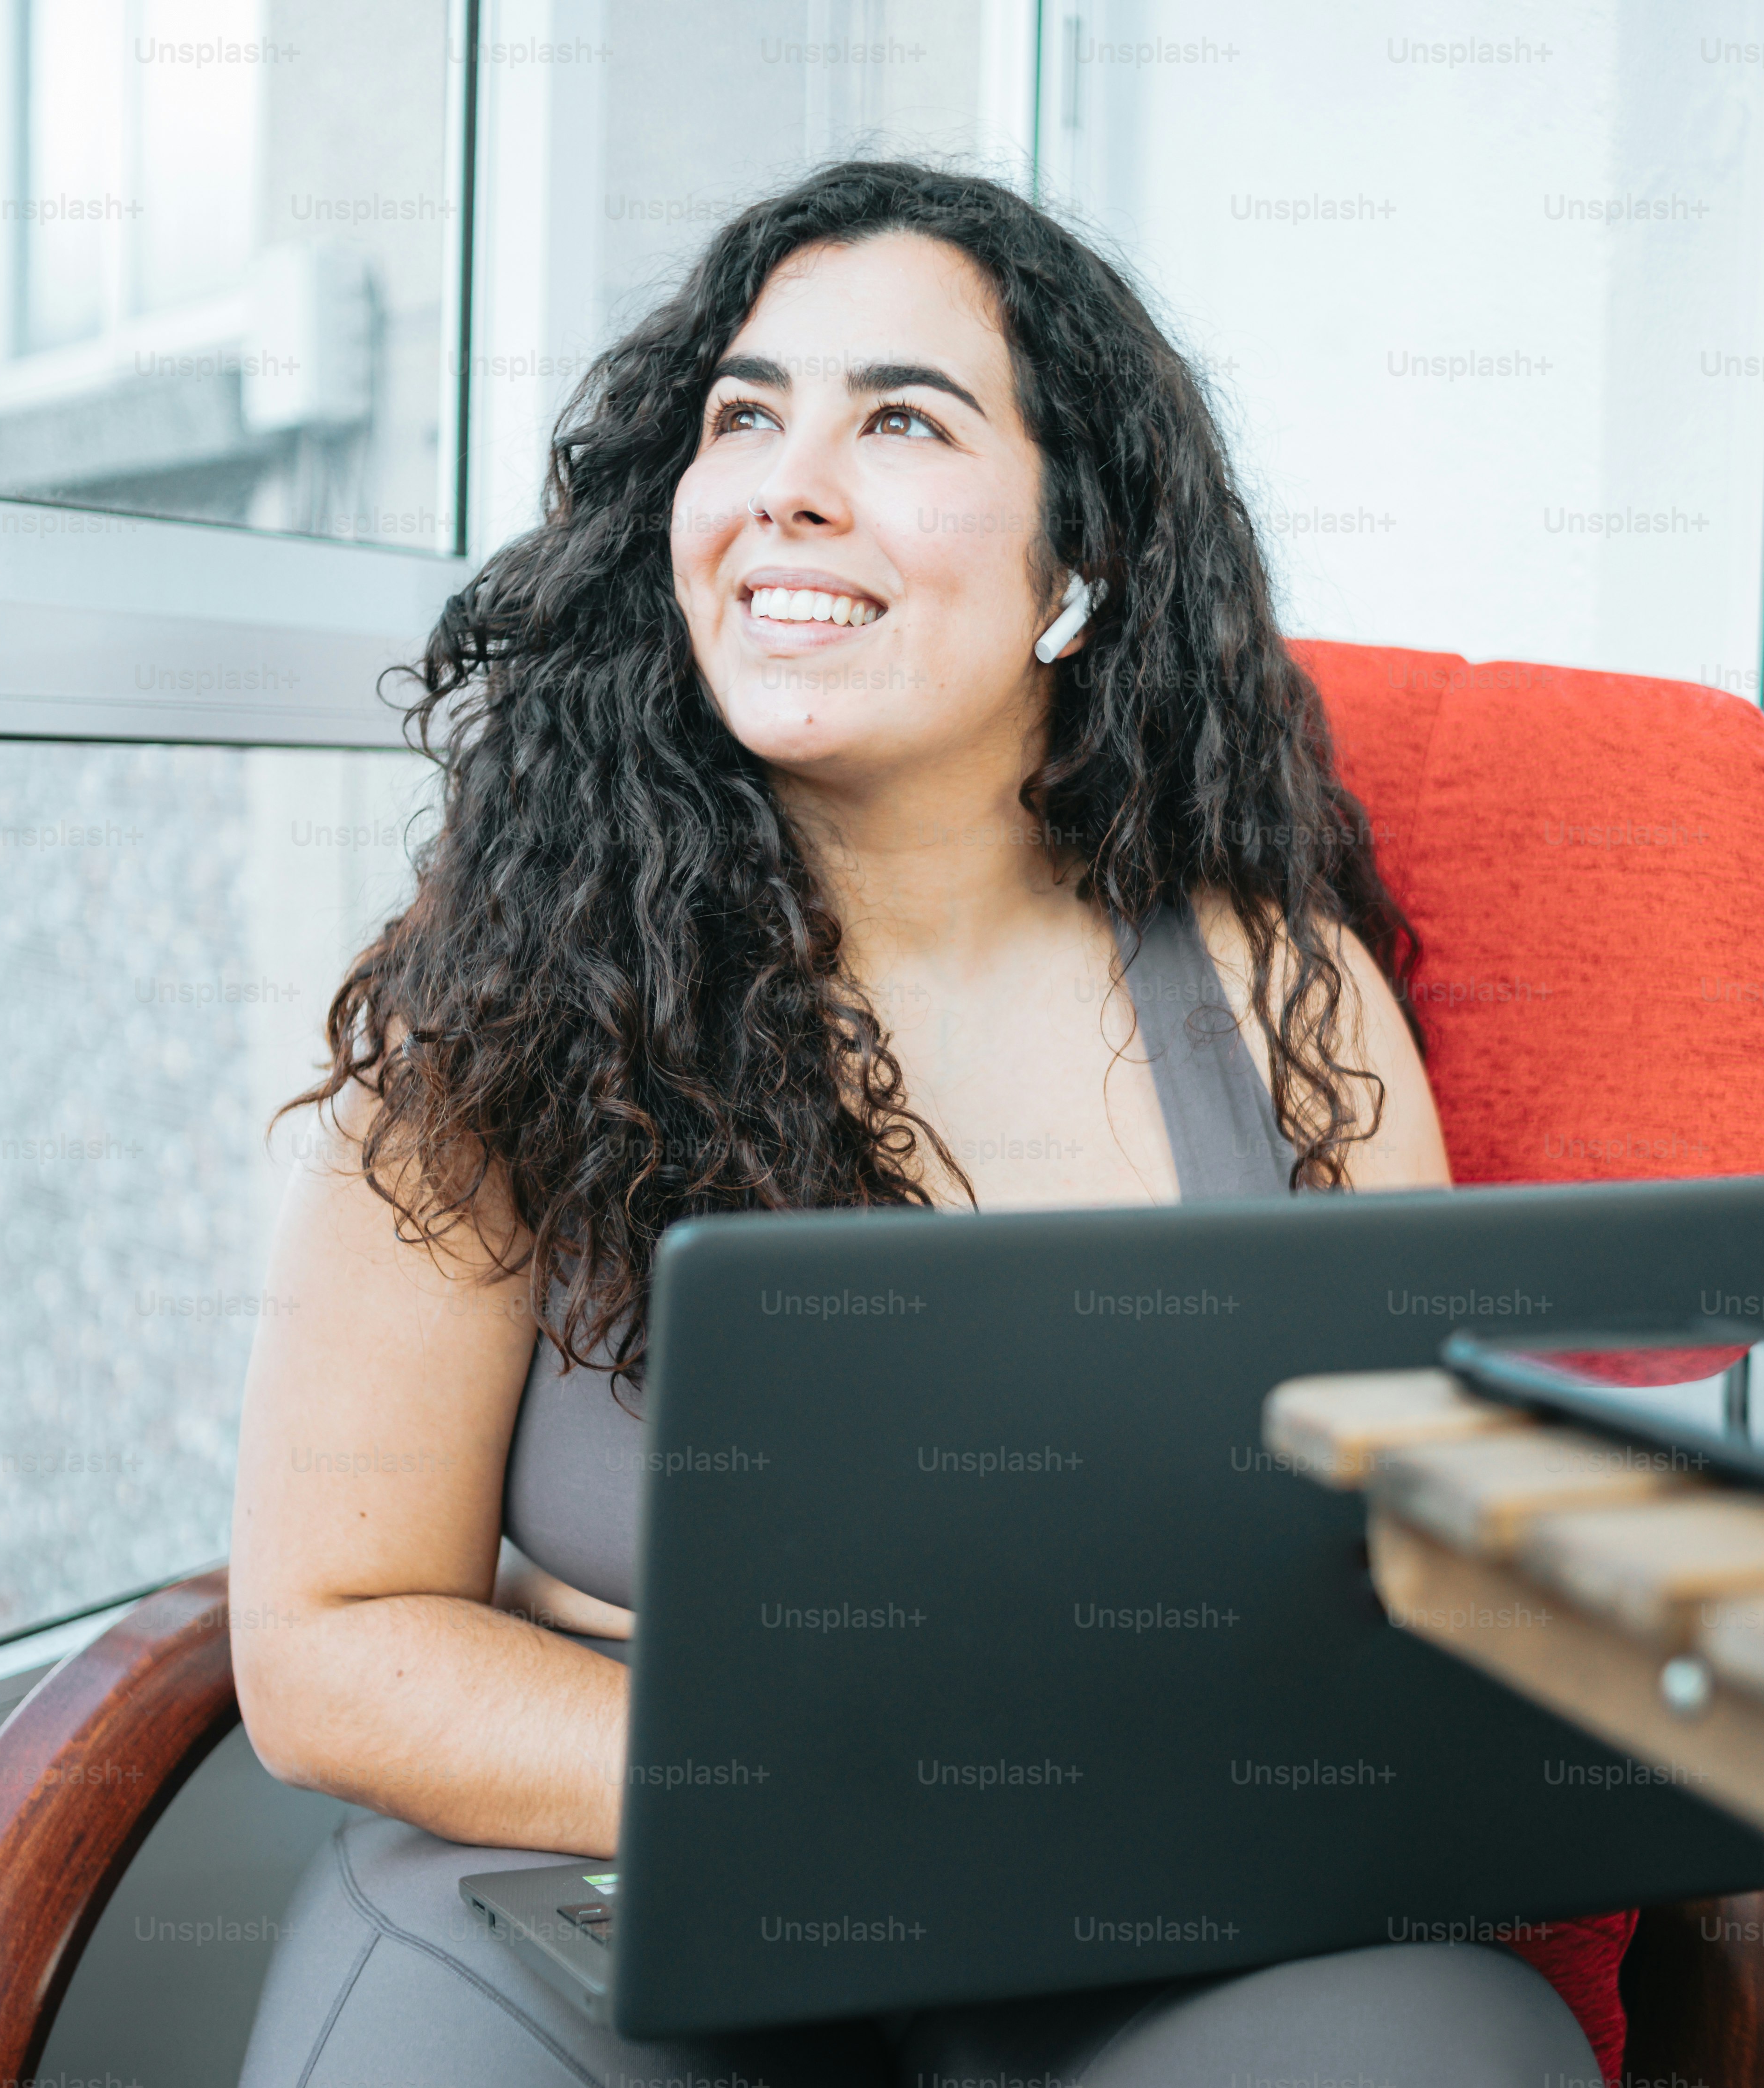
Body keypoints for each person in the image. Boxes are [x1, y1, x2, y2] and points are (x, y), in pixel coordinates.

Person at [227, 159, 1609, 2088]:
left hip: (1130, 1889)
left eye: (901, 420)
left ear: (1081, 562)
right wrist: (843, 1786)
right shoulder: (503, 991)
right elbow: (327, 1640)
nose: (786, 485)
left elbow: (1410, 1564)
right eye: (743, 418)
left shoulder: (1287, 1000)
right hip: (615, 1839)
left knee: (1444, 2050)